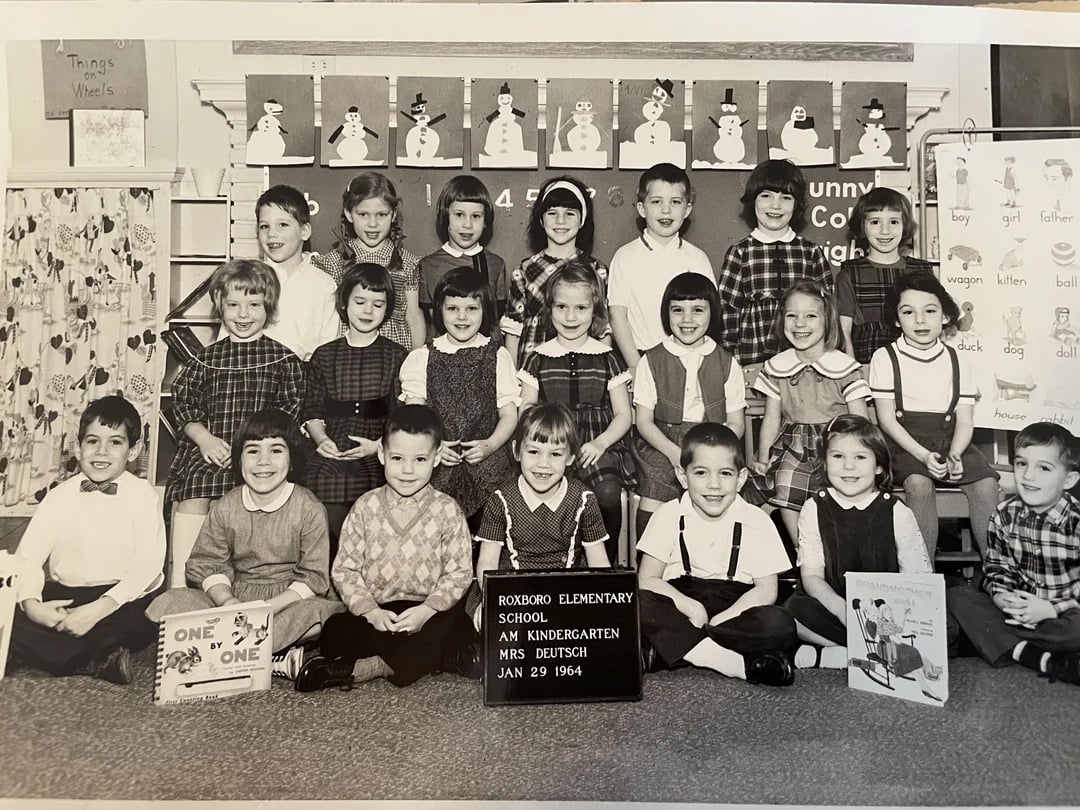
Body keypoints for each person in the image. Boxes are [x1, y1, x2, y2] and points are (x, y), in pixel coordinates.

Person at [147, 409, 343, 684]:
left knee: (325, 617)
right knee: (170, 602)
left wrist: (269, 608)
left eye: (276, 451)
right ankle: (271, 660)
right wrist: (227, 601)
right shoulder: (227, 505)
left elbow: (313, 578)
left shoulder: (308, 507)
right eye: (252, 451)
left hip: (286, 602)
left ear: (293, 459)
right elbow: (206, 563)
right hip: (235, 597)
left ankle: (223, 652)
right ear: (238, 460)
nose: (263, 462)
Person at [299, 405, 475, 691]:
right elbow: (345, 570)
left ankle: (363, 668)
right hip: (379, 614)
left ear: (437, 458)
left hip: (427, 613)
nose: (407, 470)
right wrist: (371, 612)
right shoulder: (365, 507)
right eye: (397, 458)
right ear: (381, 454)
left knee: (455, 627)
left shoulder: (447, 509)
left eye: (419, 459)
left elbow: (459, 573)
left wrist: (426, 611)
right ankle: (433, 659)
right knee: (334, 630)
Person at [165, 259, 304, 588]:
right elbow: (183, 402)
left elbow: (288, 416)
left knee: (259, 493)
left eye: (254, 305)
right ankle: (181, 583)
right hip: (212, 450)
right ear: (219, 306)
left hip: (261, 456)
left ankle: (253, 580)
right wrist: (204, 439)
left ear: (268, 307)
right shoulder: (205, 358)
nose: (243, 315)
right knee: (195, 488)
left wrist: (251, 452)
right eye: (233, 305)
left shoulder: (284, 360)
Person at [7, 396, 164, 685]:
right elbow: (28, 558)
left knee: (143, 622)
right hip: (66, 594)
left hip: (120, 598)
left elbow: (148, 567)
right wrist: (32, 605)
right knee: (8, 609)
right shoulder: (58, 497)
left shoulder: (143, 496)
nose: (101, 452)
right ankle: (93, 659)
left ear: (134, 450)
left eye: (115, 442)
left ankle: (49, 652)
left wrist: (98, 609)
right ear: (78, 448)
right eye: (92, 441)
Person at [636, 422, 797, 686]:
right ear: (682, 475)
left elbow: (766, 590)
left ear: (741, 478)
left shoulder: (757, 520)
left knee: (781, 623)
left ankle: (677, 651)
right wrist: (690, 607)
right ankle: (730, 662)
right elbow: (648, 580)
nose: (714, 485)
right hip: (683, 603)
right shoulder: (667, 515)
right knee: (639, 603)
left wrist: (722, 618)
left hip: (736, 607)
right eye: (701, 473)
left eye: (725, 474)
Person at [869, 270, 998, 559]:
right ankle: (921, 574)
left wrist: (955, 453)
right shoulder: (885, 357)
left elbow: (965, 419)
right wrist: (924, 456)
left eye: (929, 311)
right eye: (908, 312)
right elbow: (886, 420)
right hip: (905, 445)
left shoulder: (958, 359)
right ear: (895, 319)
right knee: (918, 485)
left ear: (945, 316)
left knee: (987, 484)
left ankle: (997, 572)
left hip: (952, 441)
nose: (920, 320)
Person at [785, 415, 930, 669]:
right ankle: (868, 652)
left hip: (886, 609)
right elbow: (811, 578)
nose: (848, 467)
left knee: (942, 621)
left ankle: (840, 653)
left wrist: (892, 615)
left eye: (860, 457)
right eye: (838, 457)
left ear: (879, 467)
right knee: (791, 614)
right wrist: (841, 609)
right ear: (825, 461)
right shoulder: (813, 508)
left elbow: (917, 577)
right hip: (834, 603)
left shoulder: (896, 511)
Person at [947, 422, 1080, 685]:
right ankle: (1039, 657)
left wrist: (1051, 609)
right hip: (1020, 613)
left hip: (1064, 614)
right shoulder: (1003, 515)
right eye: (1021, 464)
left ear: (1069, 479)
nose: (1028, 476)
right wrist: (1002, 598)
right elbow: (997, 569)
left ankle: (1008, 644)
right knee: (958, 596)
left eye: (1043, 468)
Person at [518, 261, 636, 554]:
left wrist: (601, 443)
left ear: (595, 311)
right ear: (550, 310)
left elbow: (624, 414)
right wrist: (543, 443)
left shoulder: (607, 357)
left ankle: (605, 566)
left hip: (596, 444)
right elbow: (526, 409)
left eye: (581, 309)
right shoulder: (539, 357)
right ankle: (557, 558)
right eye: (561, 307)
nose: (570, 317)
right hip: (552, 444)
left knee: (607, 494)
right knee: (549, 493)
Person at [742, 279, 870, 544]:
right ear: (781, 321)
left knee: (839, 489)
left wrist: (862, 456)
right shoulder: (779, 367)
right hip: (793, 446)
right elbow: (771, 419)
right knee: (785, 483)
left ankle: (834, 550)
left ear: (828, 321)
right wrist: (764, 458)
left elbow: (859, 421)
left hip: (836, 444)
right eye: (792, 316)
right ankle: (804, 550)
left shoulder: (843, 367)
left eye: (811, 316)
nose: (800, 324)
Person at [465, 403, 612, 631]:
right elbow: (487, 562)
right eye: (533, 452)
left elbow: (599, 563)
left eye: (555, 454)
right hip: (513, 588)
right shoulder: (500, 499)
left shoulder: (584, 499)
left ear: (571, 457)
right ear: (516, 451)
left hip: (566, 588)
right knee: (486, 619)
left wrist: (602, 605)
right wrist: (495, 598)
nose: (543, 464)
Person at [302, 262, 408, 556]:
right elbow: (312, 409)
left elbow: (400, 413)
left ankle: (369, 562)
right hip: (333, 442)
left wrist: (378, 446)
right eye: (360, 302)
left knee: (378, 485)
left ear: (387, 310)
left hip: (379, 446)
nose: (367, 310)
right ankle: (336, 562)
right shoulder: (325, 355)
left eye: (377, 304)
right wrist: (322, 440)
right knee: (321, 478)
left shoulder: (396, 355)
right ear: (344, 303)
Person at [400, 267, 519, 528]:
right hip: (438, 456)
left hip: (488, 455)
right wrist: (435, 446)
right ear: (439, 311)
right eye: (453, 308)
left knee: (500, 507)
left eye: (471, 309)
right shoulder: (423, 357)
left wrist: (490, 445)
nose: (462, 317)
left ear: (484, 311)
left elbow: (509, 414)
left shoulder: (497, 356)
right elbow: (415, 416)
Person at [633, 272, 745, 537]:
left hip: (713, 438)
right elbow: (644, 422)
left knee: (715, 486)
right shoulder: (651, 360)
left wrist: (712, 450)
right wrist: (674, 453)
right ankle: (650, 563)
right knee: (656, 488)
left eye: (697, 310)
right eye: (677, 310)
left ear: (712, 313)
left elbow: (736, 423)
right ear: (666, 314)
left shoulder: (726, 361)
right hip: (662, 441)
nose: (687, 319)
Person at [715, 158, 832, 366]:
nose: (775, 205)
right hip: (752, 360)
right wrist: (731, 362)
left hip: (805, 362)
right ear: (753, 200)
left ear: (796, 205)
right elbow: (727, 311)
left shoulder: (811, 252)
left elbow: (828, 311)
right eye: (766, 196)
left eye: (786, 198)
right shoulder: (740, 252)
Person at [607, 162, 714, 372]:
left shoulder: (697, 258)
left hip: (689, 359)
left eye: (675, 202)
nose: (666, 210)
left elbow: (708, 314)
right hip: (639, 357)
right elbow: (618, 316)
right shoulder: (625, 257)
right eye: (656, 201)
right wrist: (635, 366)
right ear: (641, 208)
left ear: (687, 209)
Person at [500, 175, 608, 366]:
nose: (560, 221)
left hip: (582, 370)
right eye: (552, 213)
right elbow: (513, 332)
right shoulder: (524, 270)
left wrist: (603, 373)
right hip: (533, 370)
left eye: (570, 213)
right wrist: (512, 378)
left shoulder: (596, 269)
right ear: (541, 220)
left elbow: (602, 330)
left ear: (582, 220)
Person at [313, 172, 425, 351]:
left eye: (381, 215)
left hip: (395, 358)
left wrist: (417, 359)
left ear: (393, 215)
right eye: (363, 214)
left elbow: (413, 316)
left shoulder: (407, 262)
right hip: (348, 358)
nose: (372, 224)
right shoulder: (332, 263)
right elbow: (324, 321)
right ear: (349, 214)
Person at [836, 187, 934, 363]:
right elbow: (844, 332)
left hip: (916, 362)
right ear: (862, 226)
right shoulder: (849, 274)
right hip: (867, 363)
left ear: (905, 226)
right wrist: (853, 374)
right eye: (875, 222)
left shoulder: (922, 271)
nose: (885, 231)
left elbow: (932, 323)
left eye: (894, 222)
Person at [256, 184, 340, 361]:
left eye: (282, 225)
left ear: (305, 231)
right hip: (256, 376)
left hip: (305, 377)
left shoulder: (323, 283)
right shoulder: (250, 279)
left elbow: (328, 347)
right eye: (264, 226)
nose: (272, 234)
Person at [419, 175, 507, 322]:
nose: (467, 224)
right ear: (446, 216)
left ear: (486, 221)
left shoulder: (495, 264)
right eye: (459, 215)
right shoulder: (428, 266)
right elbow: (427, 321)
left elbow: (496, 320)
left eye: (476, 216)